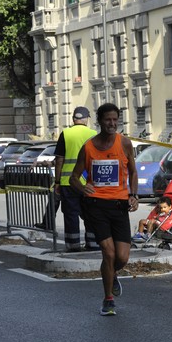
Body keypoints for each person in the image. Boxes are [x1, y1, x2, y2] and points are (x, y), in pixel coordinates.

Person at [69, 103, 139, 316]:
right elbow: (74, 177)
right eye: (108, 119)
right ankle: (108, 299)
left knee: (122, 257)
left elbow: (133, 173)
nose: (112, 123)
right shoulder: (89, 147)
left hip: (119, 206)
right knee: (108, 253)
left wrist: (134, 195)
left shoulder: (124, 143)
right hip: (96, 205)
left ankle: (111, 275)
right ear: (99, 121)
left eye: (115, 119)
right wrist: (83, 187)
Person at [54, 106, 98, 252]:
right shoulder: (93, 134)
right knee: (91, 213)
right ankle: (93, 243)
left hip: (68, 183)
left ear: (73, 119)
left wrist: (57, 182)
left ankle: (73, 245)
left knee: (71, 214)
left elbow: (59, 160)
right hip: (89, 183)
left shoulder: (65, 134)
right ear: (86, 119)